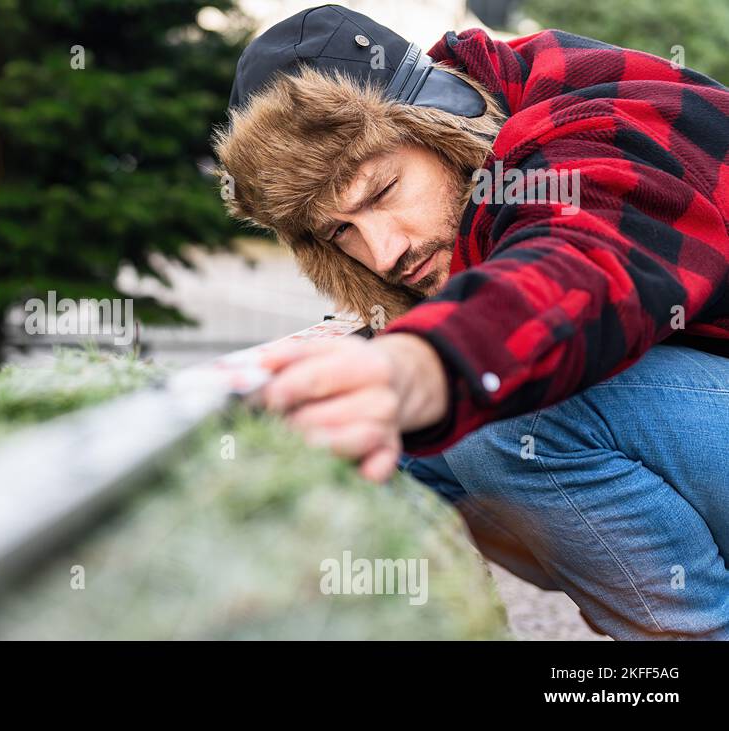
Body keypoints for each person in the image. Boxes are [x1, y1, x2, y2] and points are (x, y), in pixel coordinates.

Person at [212, 4, 729, 639]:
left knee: (506, 406)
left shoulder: (589, 121)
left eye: (380, 192)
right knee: (395, 445)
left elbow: (580, 264)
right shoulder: (487, 145)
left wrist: (420, 363)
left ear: (441, 123)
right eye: (340, 231)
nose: (383, 253)